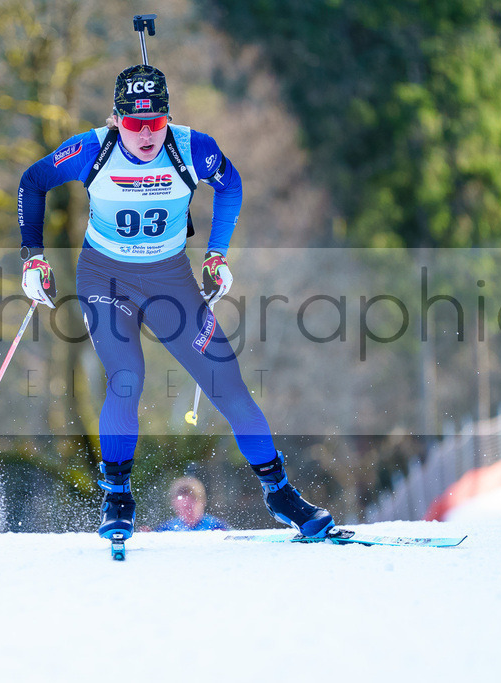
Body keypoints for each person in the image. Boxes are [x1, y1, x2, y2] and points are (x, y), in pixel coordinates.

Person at [17, 64, 335, 541]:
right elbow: (32, 181)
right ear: (116, 120)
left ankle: (279, 491)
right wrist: (33, 258)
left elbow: (231, 185)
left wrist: (216, 254)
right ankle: (117, 497)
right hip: (106, 278)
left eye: (156, 121)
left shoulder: (192, 148)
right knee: (127, 378)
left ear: (168, 117)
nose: (146, 134)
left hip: (171, 280)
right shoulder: (92, 149)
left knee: (228, 383)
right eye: (133, 123)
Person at [155, 477, 229, 532]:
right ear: (175, 506)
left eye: (191, 507)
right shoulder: (167, 529)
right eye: (183, 508)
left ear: (202, 503)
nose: (188, 512)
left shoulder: (216, 526)